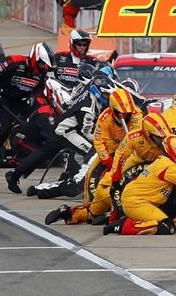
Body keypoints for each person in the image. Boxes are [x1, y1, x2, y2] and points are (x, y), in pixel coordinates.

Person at [44, 87, 143, 225]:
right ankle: (76, 211)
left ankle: (110, 213)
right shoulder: (104, 118)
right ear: (113, 109)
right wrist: (106, 159)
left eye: (127, 113)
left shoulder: (137, 115)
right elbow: (98, 141)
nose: (124, 116)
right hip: (108, 153)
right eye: (120, 113)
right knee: (90, 179)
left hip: (128, 154)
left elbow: (135, 139)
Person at [21, 75, 117, 197]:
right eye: (106, 94)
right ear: (97, 92)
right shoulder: (88, 110)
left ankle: (69, 176)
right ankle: (77, 180)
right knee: (94, 151)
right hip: (66, 131)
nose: (109, 98)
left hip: (71, 127)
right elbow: (89, 134)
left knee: (85, 152)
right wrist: (106, 141)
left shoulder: (90, 92)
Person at [103, 134, 176, 235]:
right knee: (167, 227)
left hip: (137, 200)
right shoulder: (169, 167)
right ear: (175, 152)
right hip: (136, 202)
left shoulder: (164, 162)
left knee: (167, 218)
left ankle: (127, 221)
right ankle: (122, 226)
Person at [0, 43, 55, 163]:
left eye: (46, 65)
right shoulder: (13, 61)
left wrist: (38, 104)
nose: (44, 68)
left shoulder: (42, 71)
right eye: (42, 64)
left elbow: (39, 89)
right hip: (2, 97)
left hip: (22, 99)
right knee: (4, 127)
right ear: (34, 59)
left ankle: (33, 146)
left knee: (39, 119)